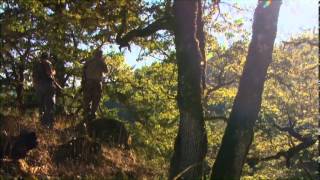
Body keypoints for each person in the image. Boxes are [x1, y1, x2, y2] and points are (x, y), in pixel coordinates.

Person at [33, 52, 61, 128]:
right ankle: (48, 125)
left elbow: (34, 78)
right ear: (47, 57)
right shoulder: (47, 63)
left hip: (39, 87)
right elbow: (49, 73)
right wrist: (54, 72)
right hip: (48, 86)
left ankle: (41, 124)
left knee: (41, 106)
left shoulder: (36, 65)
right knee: (50, 106)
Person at [82, 49, 108, 120]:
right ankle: (92, 115)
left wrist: (83, 82)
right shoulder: (101, 62)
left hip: (88, 82)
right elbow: (106, 70)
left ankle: (86, 114)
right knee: (96, 100)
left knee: (87, 99)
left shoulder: (88, 61)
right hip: (97, 83)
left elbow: (83, 71)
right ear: (100, 55)